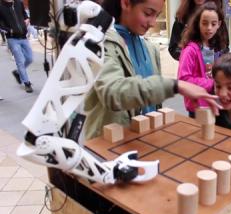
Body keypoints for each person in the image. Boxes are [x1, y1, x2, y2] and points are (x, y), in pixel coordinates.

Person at [83, 0, 221, 140]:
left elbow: (151, 103)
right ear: (126, 3)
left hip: (143, 142)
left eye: (157, 15)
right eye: (148, 13)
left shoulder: (149, 49)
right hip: (110, 147)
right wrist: (175, 85)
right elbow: (113, 92)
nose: (153, 22)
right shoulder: (101, 45)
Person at [177, 1, 227, 117]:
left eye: (213, 24)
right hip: (197, 106)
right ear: (197, 23)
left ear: (219, 24)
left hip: (215, 104)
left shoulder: (216, 47)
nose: (209, 28)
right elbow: (183, 80)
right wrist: (211, 84)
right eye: (204, 23)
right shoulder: (190, 50)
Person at [0, 0, 33, 93]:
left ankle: (18, 73)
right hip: (12, 39)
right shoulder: (1, 6)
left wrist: (26, 21)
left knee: (30, 58)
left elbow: (25, 16)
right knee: (20, 61)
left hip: (23, 36)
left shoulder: (19, 3)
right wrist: (9, 30)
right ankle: (27, 83)